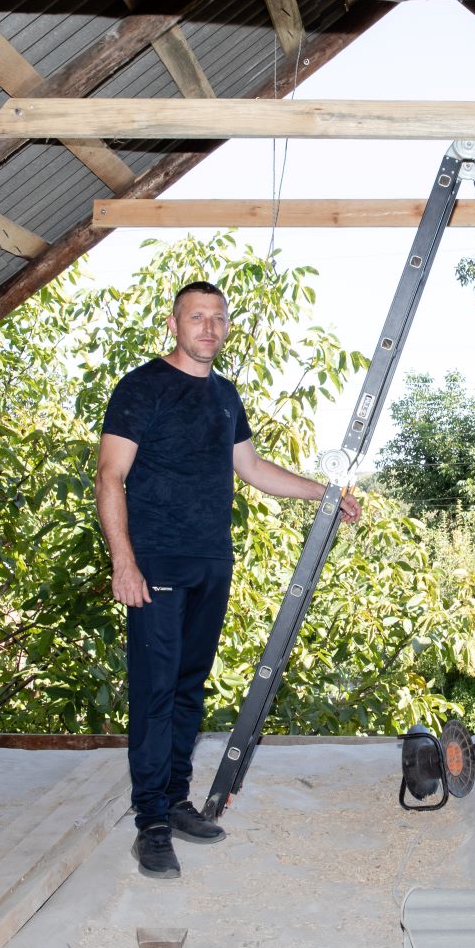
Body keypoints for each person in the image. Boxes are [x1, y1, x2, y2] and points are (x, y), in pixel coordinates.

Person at [97, 280, 361, 880]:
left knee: (190, 688)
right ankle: (150, 825)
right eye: (197, 317)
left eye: (218, 318)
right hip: (156, 562)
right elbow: (110, 476)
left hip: (211, 561)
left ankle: (175, 800)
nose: (209, 328)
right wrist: (124, 561)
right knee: (156, 692)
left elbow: (252, 468)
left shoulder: (225, 395)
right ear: (173, 324)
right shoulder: (142, 388)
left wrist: (325, 492)